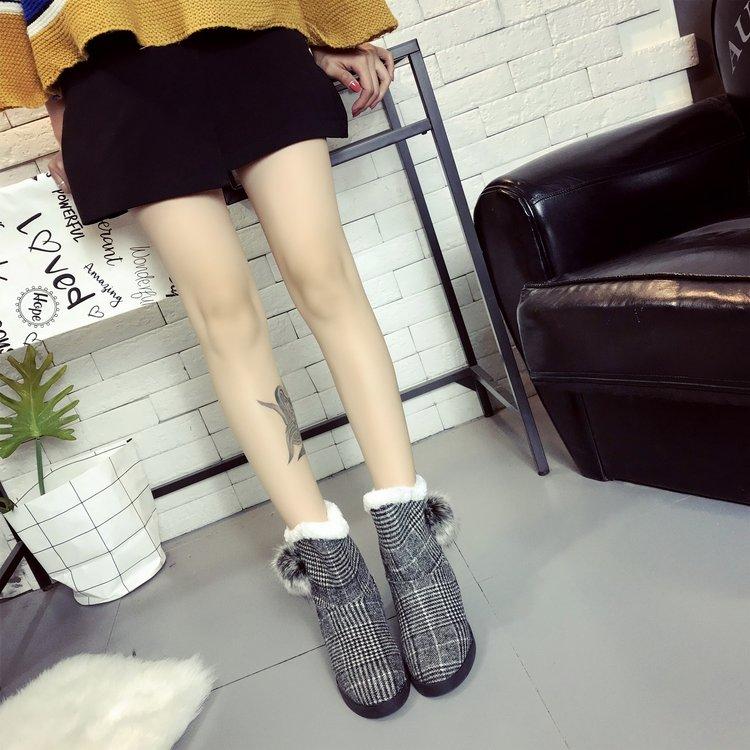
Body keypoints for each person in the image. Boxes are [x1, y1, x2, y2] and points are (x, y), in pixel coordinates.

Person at [0, 1, 475, 718]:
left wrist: (323, 30)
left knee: (324, 276)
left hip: (244, 29)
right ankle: (332, 572)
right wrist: (59, 97)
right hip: (114, 70)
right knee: (224, 317)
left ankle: (412, 542)